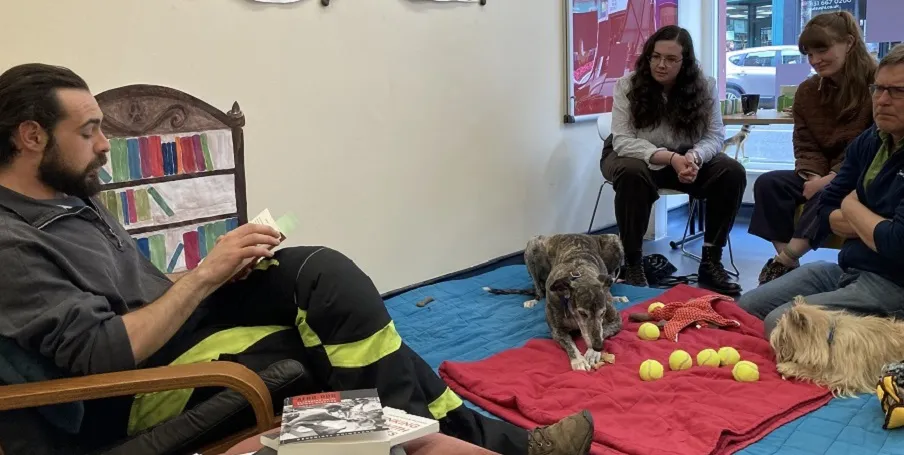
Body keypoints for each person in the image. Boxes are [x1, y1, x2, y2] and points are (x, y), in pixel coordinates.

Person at [0, 63, 594, 455]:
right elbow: (100, 355)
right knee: (332, 358)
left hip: (174, 333)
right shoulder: (13, 246)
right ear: (31, 137)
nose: (105, 145)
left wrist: (217, 270)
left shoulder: (70, 197)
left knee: (329, 286)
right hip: (131, 392)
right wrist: (206, 276)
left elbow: (139, 294)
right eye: (89, 131)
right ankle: (503, 445)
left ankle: (488, 442)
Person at [738, 44, 904, 337]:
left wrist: (852, 208)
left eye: (897, 91)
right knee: (744, 308)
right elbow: (826, 207)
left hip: (894, 285)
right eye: (878, 89)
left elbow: (896, 244)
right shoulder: (873, 139)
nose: (882, 100)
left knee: (781, 325)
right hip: (849, 268)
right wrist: (873, 223)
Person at [601, 25, 746, 295]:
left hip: (684, 156)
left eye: (670, 59)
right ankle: (632, 264)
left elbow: (715, 135)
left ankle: (711, 261)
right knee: (633, 172)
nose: (661, 65)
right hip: (633, 156)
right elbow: (622, 140)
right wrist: (670, 158)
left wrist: (694, 156)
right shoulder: (628, 86)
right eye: (655, 57)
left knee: (731, 171)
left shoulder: (705, 87)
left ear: (686, 62)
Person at [748, 11, 876, 286]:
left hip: (863, 175)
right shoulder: (808, 91)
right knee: (769, 184)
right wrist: (813, 177)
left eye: (822, 49)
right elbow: (804, 143)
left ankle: (782, 262)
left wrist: (830, 179)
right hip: (817, 174)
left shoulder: (878, 87)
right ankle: (790, 265)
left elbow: (874, 147)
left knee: (831, 191)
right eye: (809, 53)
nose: (815, 60)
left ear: (850, 43)